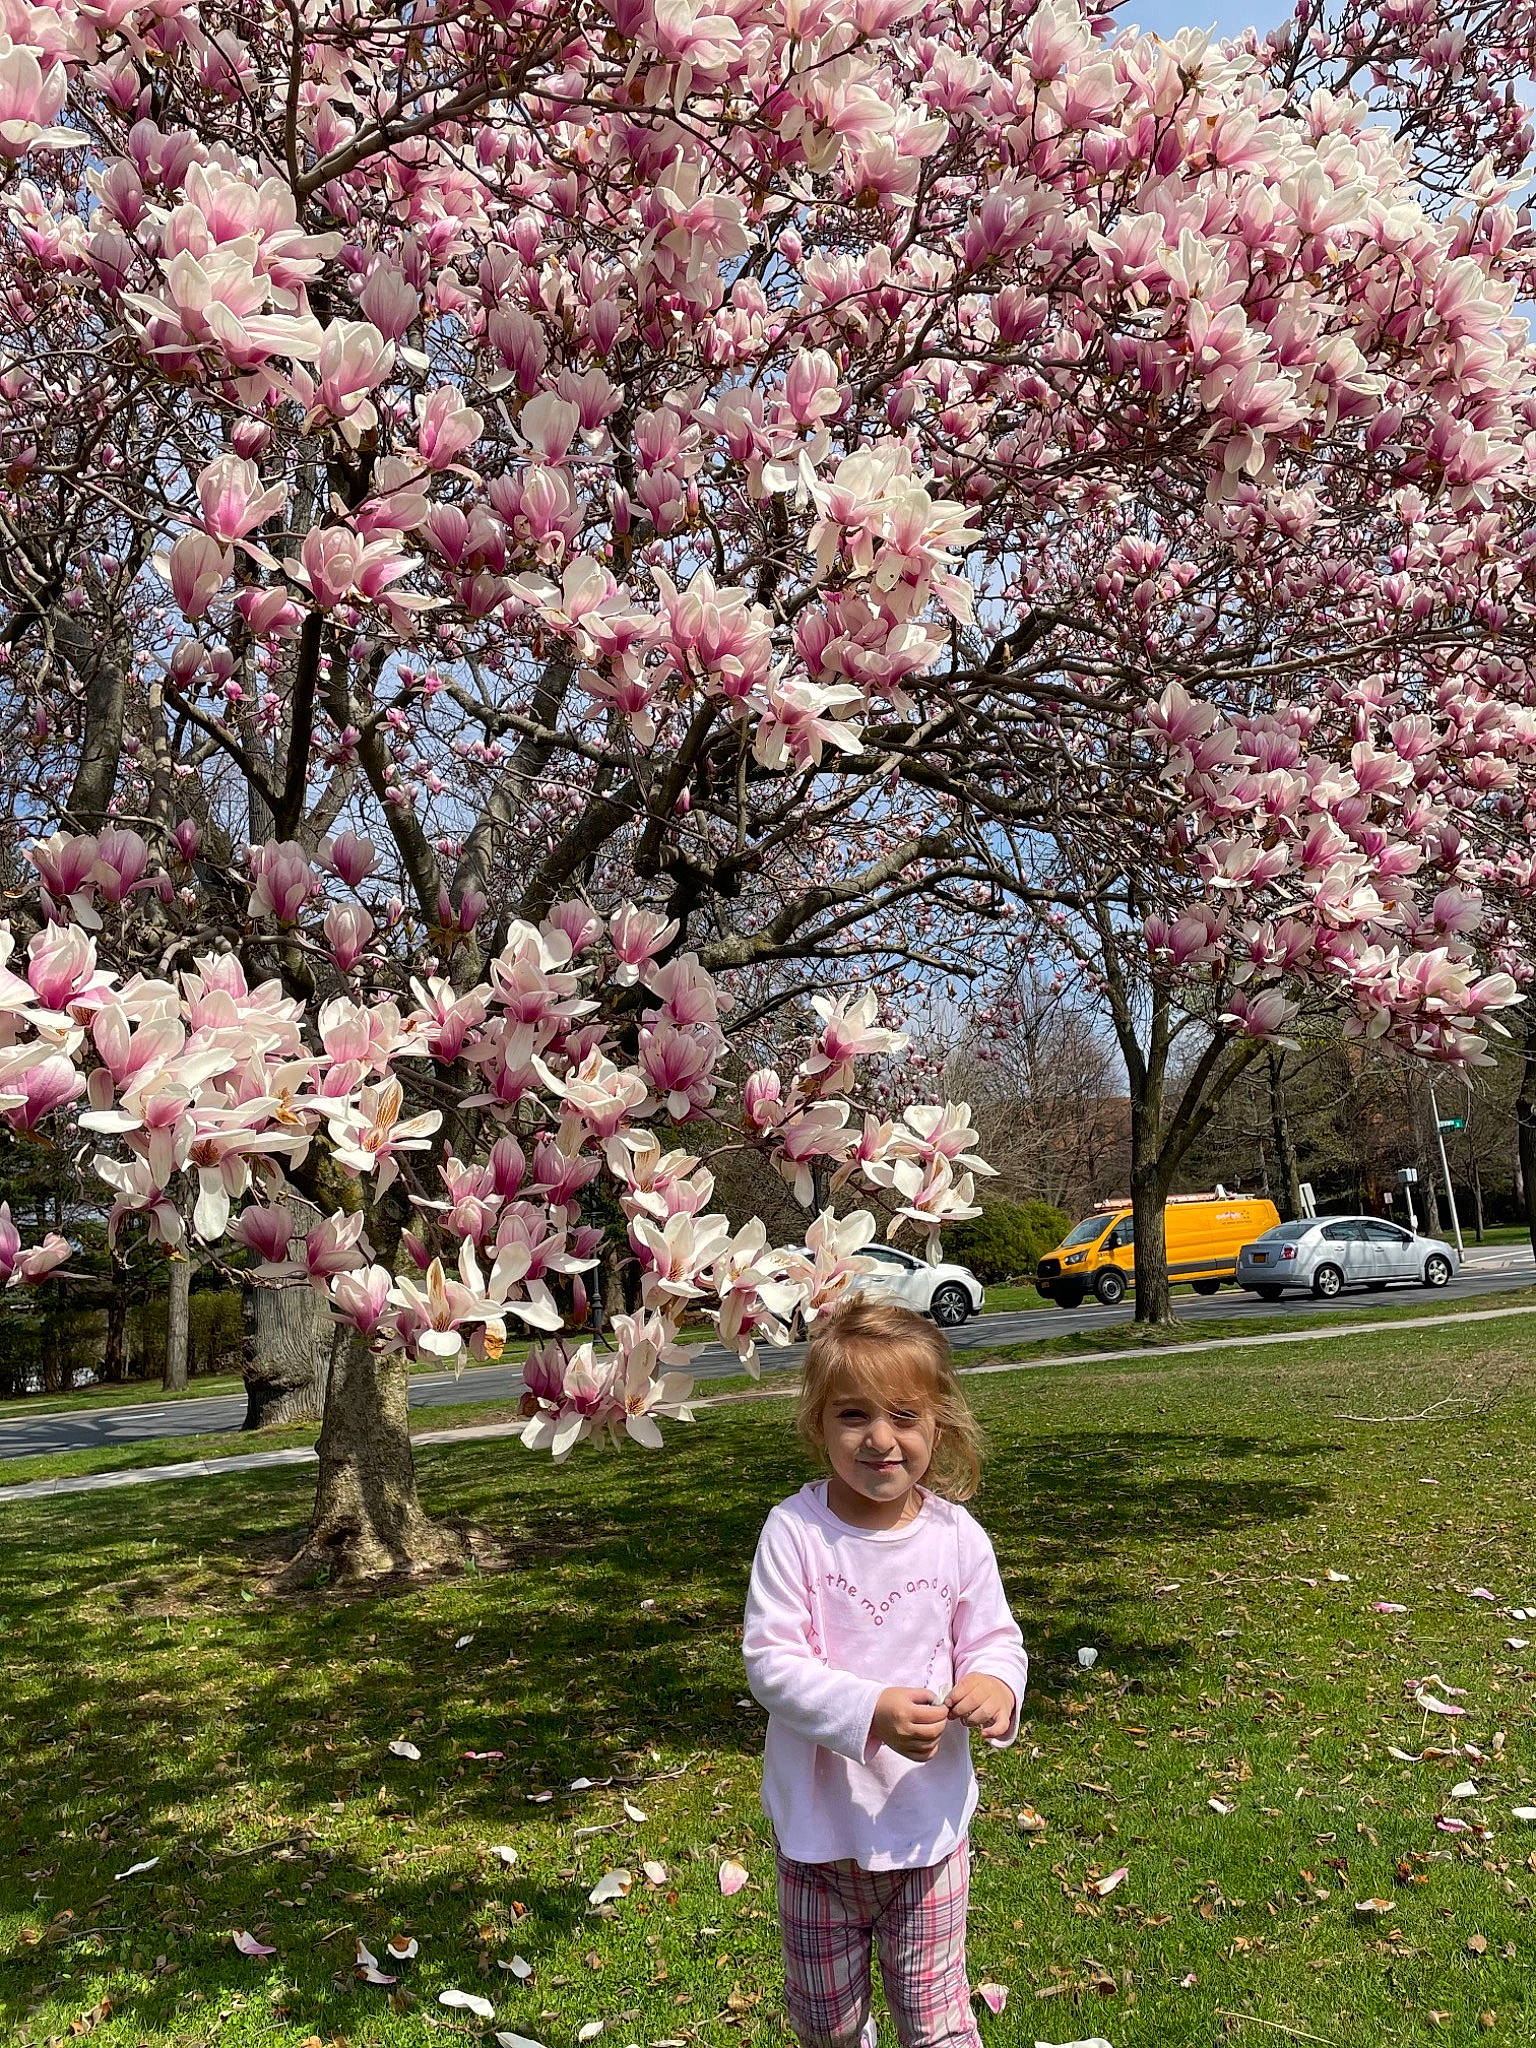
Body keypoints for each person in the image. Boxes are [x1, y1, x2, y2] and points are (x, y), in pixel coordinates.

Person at [742, 1299, 1028, 2048]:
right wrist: (870, 1710)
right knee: (829, 2025)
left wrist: (997, 1683)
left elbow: (995, 1637)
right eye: (852, 1415)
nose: (880, 1438)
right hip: (818, 1837)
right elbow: (771, 1662)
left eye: (904, 1415)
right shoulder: (796, 1533)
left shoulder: (956, 1536)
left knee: (936, 2021)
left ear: (940, 1424)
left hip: (926, 1834)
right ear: (817, 1424)